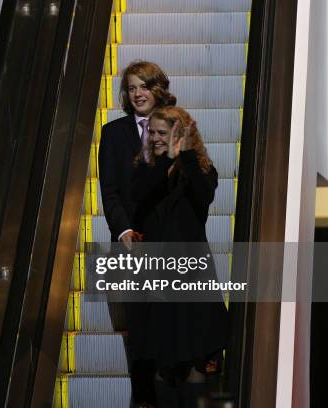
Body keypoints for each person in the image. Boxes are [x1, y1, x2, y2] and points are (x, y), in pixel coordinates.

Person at [129, 106, 229, 407]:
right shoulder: (144, 167)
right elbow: (140, 194)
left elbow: (204, 195)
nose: (157, 138)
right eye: (153, 132)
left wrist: (184, 155)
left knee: (195, 359)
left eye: (164, 133)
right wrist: (166, 161)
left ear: (182, 135)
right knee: (164, 361)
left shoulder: (200, 168)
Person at [98, 61, 176, 407]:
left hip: (170, 240)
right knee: (140, 331)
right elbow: (110, 190)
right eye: (131, 88)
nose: (137, 93)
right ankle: (144, 401)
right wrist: (125, 229)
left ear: (157, 88)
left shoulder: (177, 126)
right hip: (132, 243)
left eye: (143, 86)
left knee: (172, 324)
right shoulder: (113, 132)